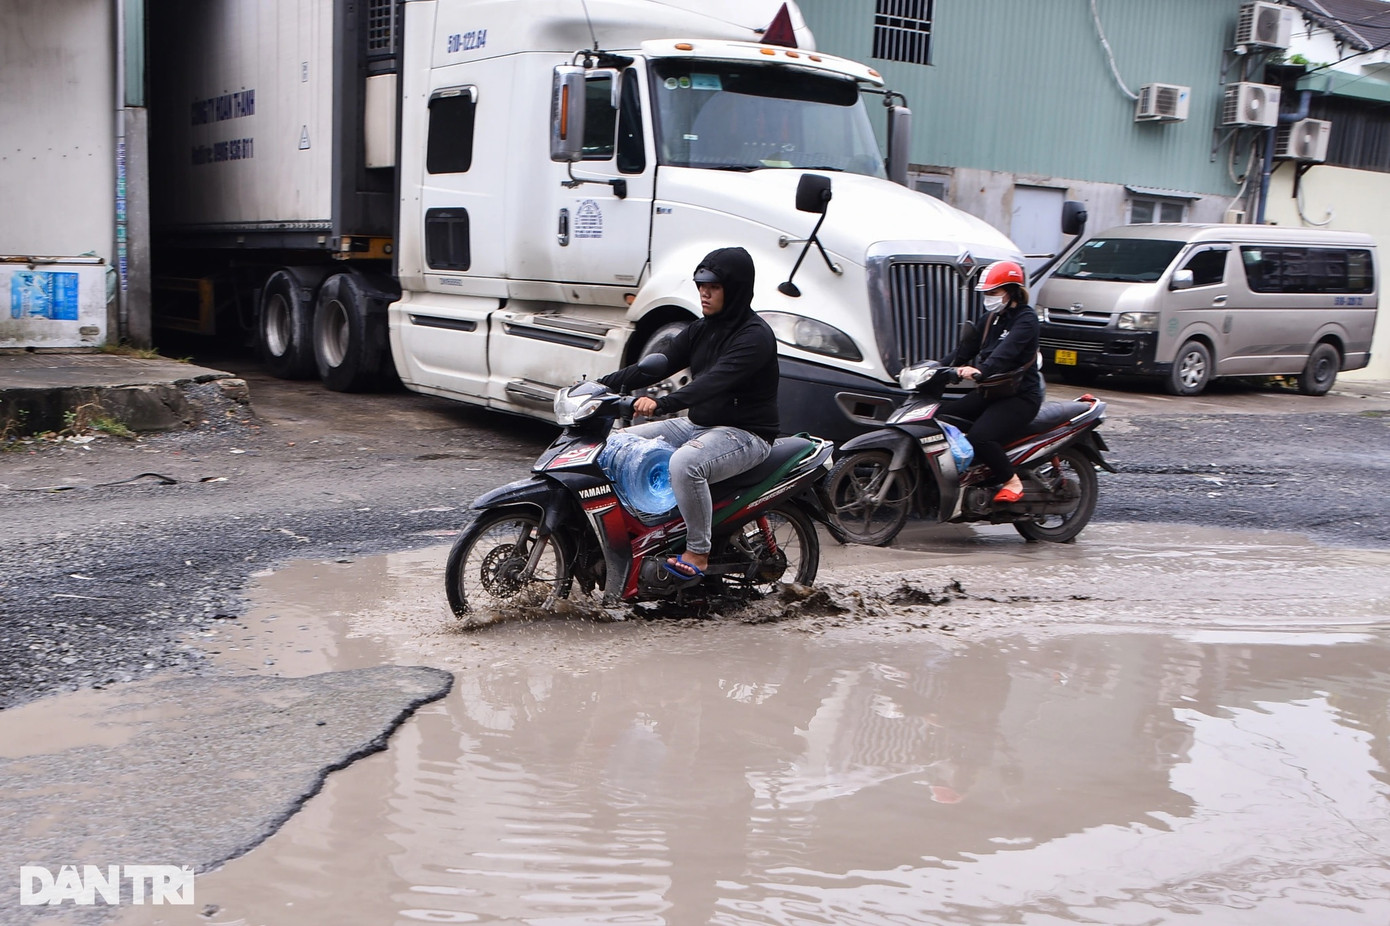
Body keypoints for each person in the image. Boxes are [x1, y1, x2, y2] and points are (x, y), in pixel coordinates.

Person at [598, 246, 780, 580]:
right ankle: (639, 531)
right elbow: (658, 364)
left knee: (685, 464)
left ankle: (698, 551)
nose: (704, 293)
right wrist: (599, 386)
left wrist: (663, 403)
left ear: (735, 288)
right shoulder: (702, 328)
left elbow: (714, 381)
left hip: (746, 434)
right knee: (615, 444)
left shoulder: (755, 337)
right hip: (700, 425)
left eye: (713, 287)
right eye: (700, 285)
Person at [941, 260, 1044, 503]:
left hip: (1019, 396)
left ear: (1012, 290)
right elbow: (963, 351)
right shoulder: (990, 319)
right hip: (991, 391)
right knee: (941, 418)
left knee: (980, 437)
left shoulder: (1026, 319)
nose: (989, 297)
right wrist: (935, 369)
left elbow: (1005, 353)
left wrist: (980, 371)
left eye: (994, 293)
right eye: (986, 293)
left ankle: (1011, 481)